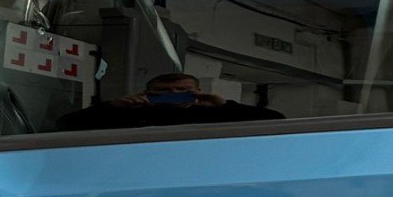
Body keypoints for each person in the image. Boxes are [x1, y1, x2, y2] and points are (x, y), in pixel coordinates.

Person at [56, 71, 285, 132]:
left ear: (198, 92)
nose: (174, 94)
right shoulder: (130, 114)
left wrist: (224, 105)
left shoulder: (216, 113)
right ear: (148, 93)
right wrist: (112, 107)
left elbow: (276, 121)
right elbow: (66, 125)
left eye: (183, 91)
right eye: (164, 91)